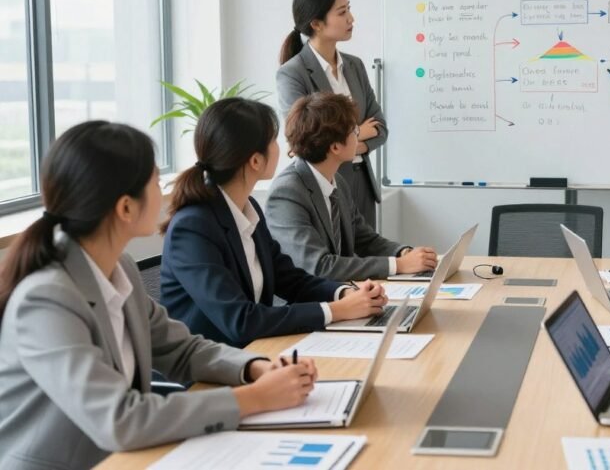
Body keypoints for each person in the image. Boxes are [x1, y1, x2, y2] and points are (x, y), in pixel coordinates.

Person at [0, 121, 320, 469]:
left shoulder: (118, 268)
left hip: (125, 457)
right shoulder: (46, 300)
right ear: (125, 208)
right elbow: (119, 420)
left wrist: (256, 368)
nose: (165, 188)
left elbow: (181, 349)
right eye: (155, 181)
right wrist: (253, 399)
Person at [160, 98, 387, 348]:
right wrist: (336, 310)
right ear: (255, 161)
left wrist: (343, 293)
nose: (281, 147)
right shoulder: (193, 227)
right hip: (207, 373)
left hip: (255, 353)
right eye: (272, 140)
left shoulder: (248, 208)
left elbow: (289, 279)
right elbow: (240, 320)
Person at [266, 92, 438, 281]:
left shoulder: (337, 181)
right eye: (354, 131)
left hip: (345, 294)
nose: (358, 136)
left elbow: (364, 239)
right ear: (335, 147)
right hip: (307, 305)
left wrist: (403, 253)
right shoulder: (287, 193)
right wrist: (398, 266)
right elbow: (319, 266)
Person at [278, 0, 386, 229]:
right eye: (342, 12)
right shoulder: (292, 73)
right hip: (326, 185)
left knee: (369, 259)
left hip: (363, 185)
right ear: (316, 23)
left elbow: (380, 128)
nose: (352, 18)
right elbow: (307, 140)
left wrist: (347, 143)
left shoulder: (355, 65)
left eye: (349, 8)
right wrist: (359, 131)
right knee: (340, 263)